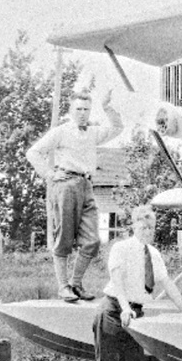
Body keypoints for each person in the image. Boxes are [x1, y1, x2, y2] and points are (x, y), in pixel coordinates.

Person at [92, 204, 182, 361]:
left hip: (135, 314)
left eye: (151, 227)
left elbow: (167, 283)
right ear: (133, 226)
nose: (147, 231)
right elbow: (117, 280)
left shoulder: (153, 254)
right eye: (143, 226)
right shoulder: (120, 249)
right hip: (114, 310)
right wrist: (124, 309)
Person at [26, 90, 123, 302]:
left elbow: (117, 128)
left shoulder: (92, 133)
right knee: (64, 239)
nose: (82, 113)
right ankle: (63, 287)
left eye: (86, 109)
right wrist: (50, 174)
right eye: (78, 109)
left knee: (92, 241)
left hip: (86, 184)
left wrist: (107, 107)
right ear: (71, 110)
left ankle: (76, 284)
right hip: (65, 185)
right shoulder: (61, 132)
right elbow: (33, 152)